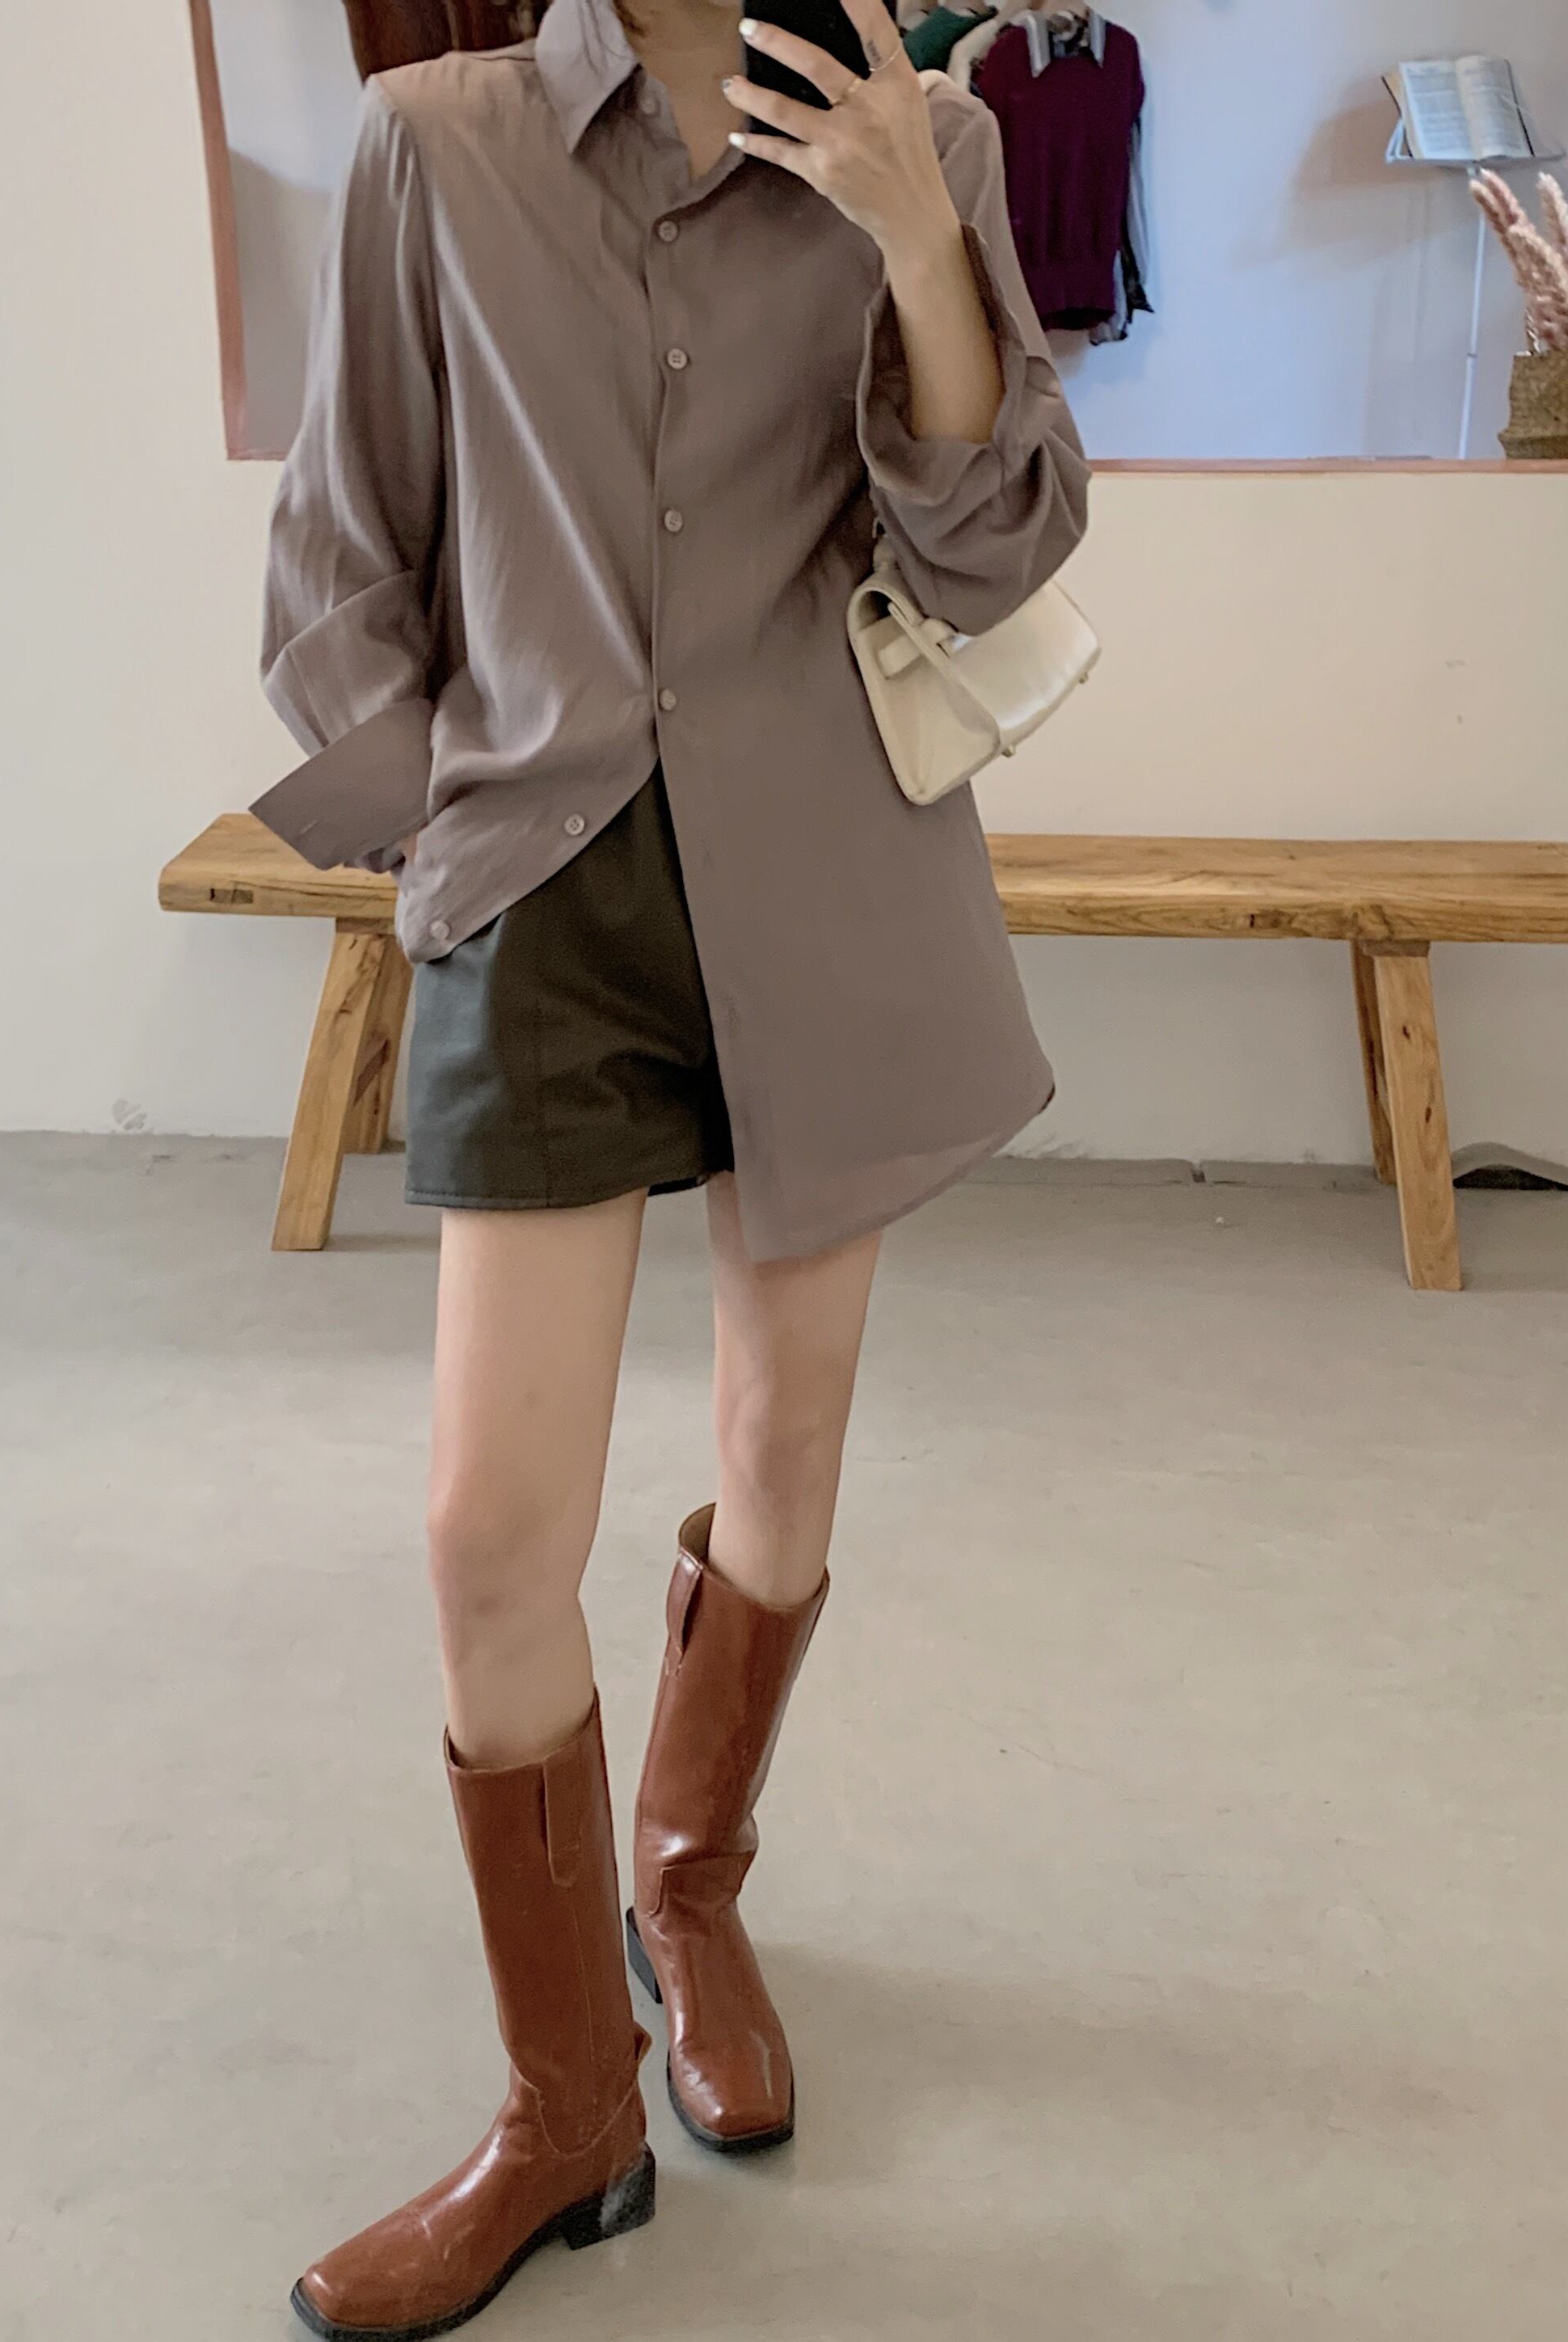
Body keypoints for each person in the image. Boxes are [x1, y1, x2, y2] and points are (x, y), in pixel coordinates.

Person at [254, 0, 1087, 2329]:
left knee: (779, 1451)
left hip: (827, 872)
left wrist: (916, 243)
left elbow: (991, 548)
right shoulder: (432, 147)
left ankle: (688, 1887)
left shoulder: (927, 135)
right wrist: (440, 836)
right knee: (484, 1528)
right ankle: (565, 2114)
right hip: (542, 893)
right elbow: (340, 547)